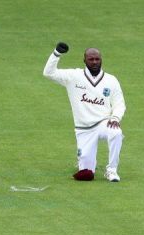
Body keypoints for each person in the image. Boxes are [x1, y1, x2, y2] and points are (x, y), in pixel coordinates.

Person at [43, 42, 126, 182]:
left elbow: (119, 103)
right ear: (84, 60)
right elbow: (48, 73)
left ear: (101, 60)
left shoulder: (111, 80)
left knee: (116, 132)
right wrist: (56, 54)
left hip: (103, 122)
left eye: (97, 59)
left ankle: (112, 171)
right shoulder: (73, 76)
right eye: (91, 59)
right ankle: (84, 162)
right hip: (83, 129)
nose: (94, 62)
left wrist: (115, 118)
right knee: (87, 173)